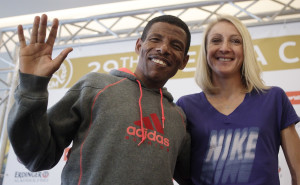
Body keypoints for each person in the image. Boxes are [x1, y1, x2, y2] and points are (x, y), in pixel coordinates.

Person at [7, 14, 192, 185]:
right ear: (138, 46)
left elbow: (195, 177)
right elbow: (37, 156)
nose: (164, 48)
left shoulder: (178, 118)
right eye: (155, 39)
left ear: (184, 61)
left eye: (176, 46)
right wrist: (32, 86)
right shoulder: (95, 86)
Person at [176, 15, 300, 185]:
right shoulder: (185, 106)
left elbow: (298, 172)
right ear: (205, 50)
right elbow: (177, 170)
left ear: (246, 49)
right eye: (216, 40)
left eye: (235, 41)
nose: (225, 48)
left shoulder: (274, 99)